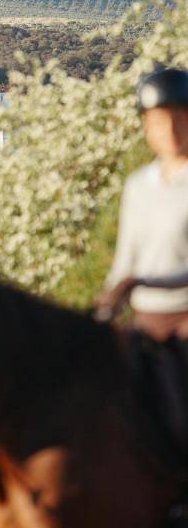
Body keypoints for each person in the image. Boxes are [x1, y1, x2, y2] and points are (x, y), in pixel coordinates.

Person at [98, 68, 188, 340]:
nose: (170, 131)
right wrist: (106, 304)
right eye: (159, 122)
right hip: (145, 318)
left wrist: (144, 281)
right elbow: (125, 260)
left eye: (179, 120)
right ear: (146, 126)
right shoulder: (138, 185)